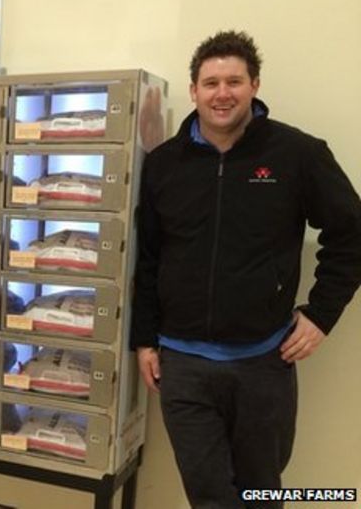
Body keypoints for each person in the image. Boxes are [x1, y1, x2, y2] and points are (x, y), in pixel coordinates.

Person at [131, 30, 361, 508]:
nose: (222, 93)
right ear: (193, 90)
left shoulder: (297, 155)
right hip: (183, 366)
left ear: (255, 85)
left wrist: (320, 315)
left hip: (262, 364)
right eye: (210, 82)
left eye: (234, 81)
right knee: (209, 496)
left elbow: (352, 233)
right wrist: (145, 338)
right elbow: (150, 257)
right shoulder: (164, 165)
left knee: (260, 494)